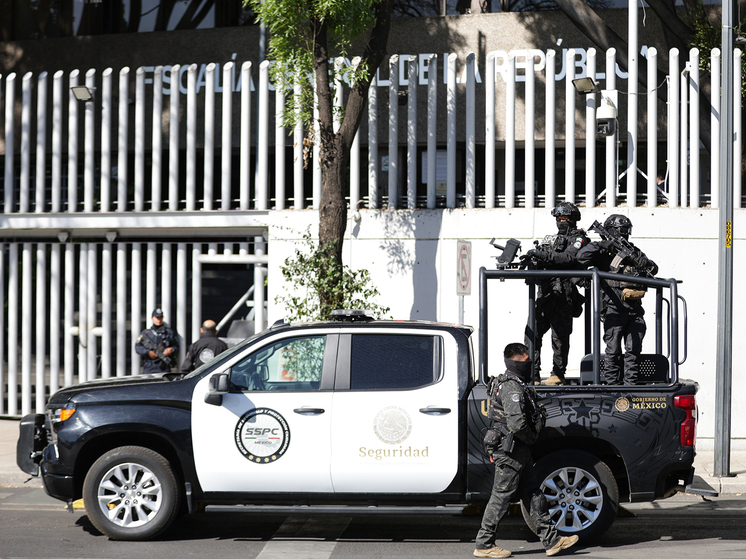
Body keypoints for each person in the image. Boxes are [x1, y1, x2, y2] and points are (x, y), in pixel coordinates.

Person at [474, 343, 579, 558]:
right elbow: (517, 424)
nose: (530, 363)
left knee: (533, 494)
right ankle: (484, 544)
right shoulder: (512, 387)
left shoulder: (513, 383)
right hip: (511, 451)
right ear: (515, 361)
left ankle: (552, 541)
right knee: (501, 498)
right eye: (526, 359)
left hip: (518, 450)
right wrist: (532, 437)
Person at [575, 214, 658, 385]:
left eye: (627, 230)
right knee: (612, 350)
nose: (625, 233)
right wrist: (602, 245)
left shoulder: (632, 250)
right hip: (613, 308)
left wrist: (642, 262)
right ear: (612, 231)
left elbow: (653, 269)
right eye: (622, 230)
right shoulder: (602, 252)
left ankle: (631, 384)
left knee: (633, 349)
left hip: (634, 309)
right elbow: (581, 257)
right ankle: (612, 384)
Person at [523, 202, 589, 385]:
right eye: (558, 218)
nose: (561, 221)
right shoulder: (551, 239)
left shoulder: (579, 239)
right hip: (545, 293)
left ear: (573, 219)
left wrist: (543, 256)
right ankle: (533, 374)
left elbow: (568, 258)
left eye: (565, 218)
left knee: (559, 337)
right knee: (532, 333)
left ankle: (558, 374)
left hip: (563, 293)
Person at [135, 307, 179, 374]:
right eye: (157, 317)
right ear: (152, 318)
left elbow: (176, 347)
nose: (159, 320)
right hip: (149, 365)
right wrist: (148, 352)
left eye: (160, 317)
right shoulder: (146, 333)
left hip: (163, 366)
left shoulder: (169, 333)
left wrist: (171, 350)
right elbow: (138, 347)